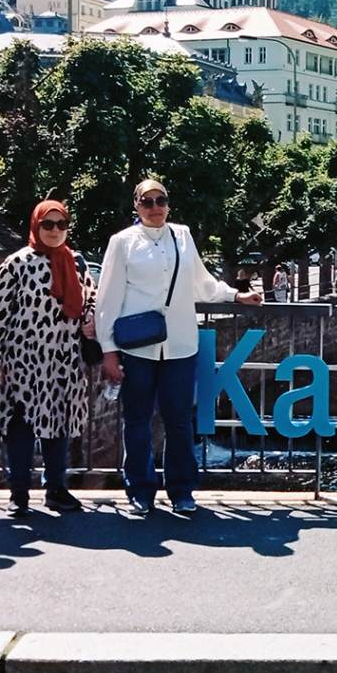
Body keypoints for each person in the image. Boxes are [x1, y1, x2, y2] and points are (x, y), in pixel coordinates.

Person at [97, 180, 262, 516]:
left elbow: (202, 282)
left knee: (179, 421)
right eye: (147, 201)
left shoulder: (182, 236)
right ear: (136, 206)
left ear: (168, 204)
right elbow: (108, 299)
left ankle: (181, 490)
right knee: (137, 420)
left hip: (180, 345)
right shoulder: (122, 242)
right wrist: (108, 349)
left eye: (161, 200)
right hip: (138, 348)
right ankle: (140, 490)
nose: (155, 207)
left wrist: (235, 295)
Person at [0, 200, 97, 516]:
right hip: (24, 360)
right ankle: (18, 492)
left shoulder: (76, 262)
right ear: (36, 225)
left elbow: (90, 297)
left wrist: (90, 316)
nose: (55, 230)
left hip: (64, 358)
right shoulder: (16, 264)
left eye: (61, 224)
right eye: (48, 224)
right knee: (20, 427)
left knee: (59, 425)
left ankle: (56, 489)